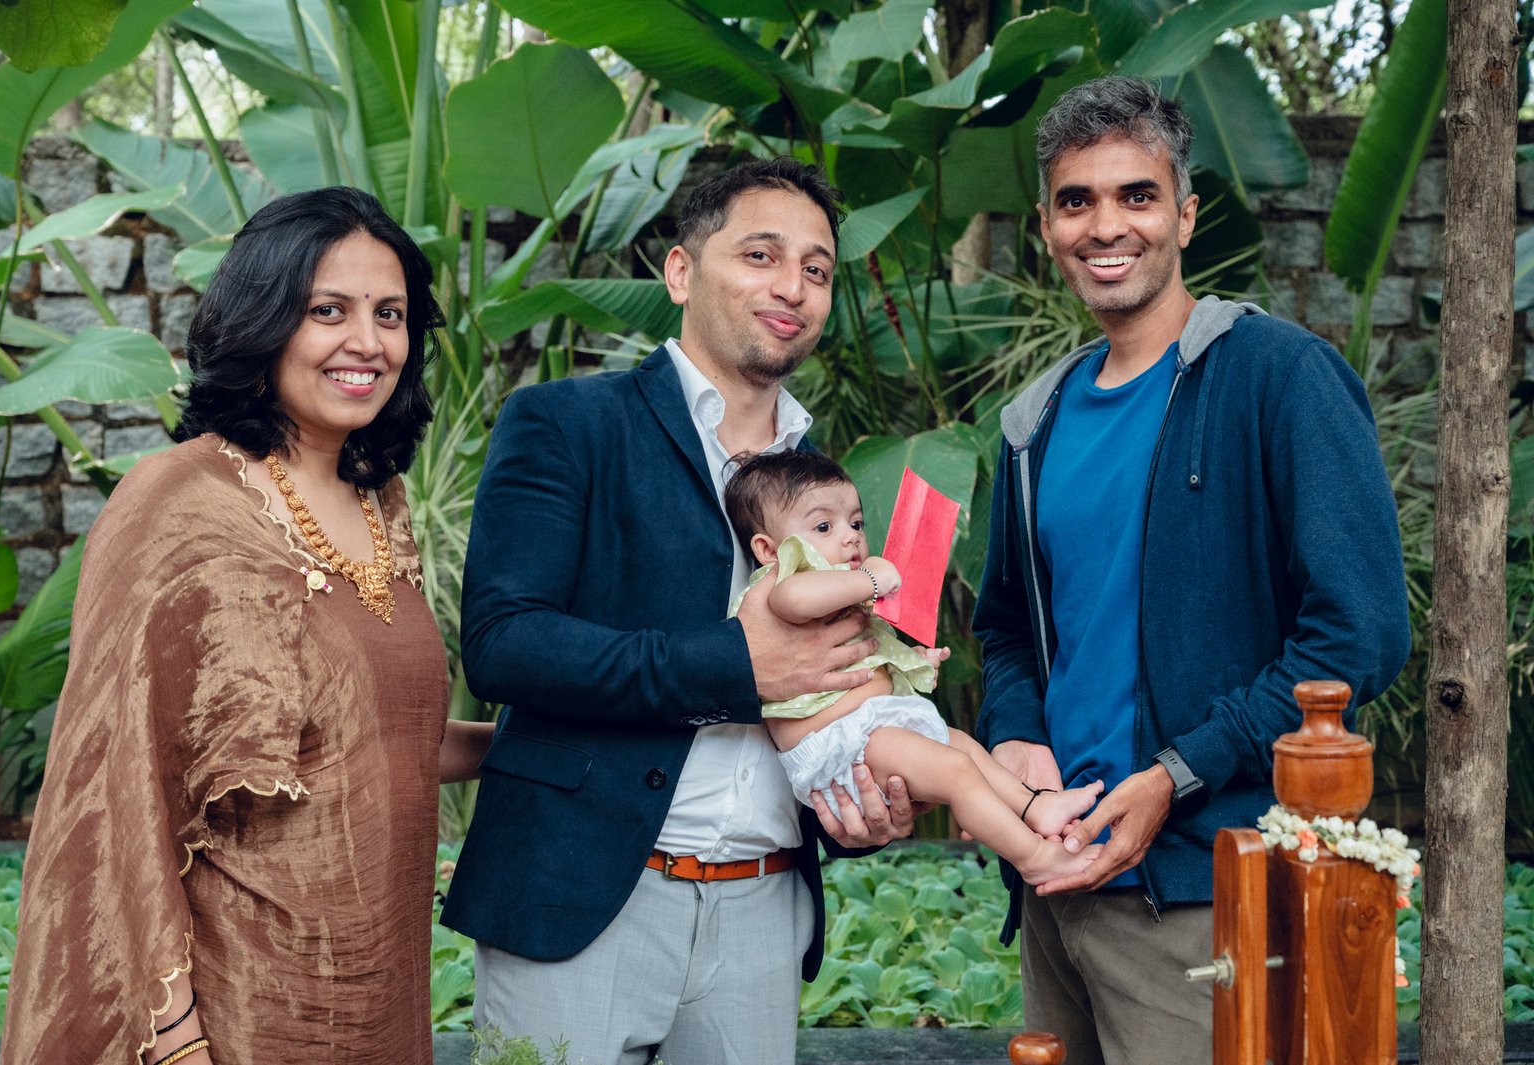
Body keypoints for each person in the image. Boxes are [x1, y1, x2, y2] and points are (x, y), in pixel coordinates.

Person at [970, 77, 1410, 1065]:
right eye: (1076, 200)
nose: (1105, 225)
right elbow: (1006, 629)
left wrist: (1178, 773)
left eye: (1137, 194)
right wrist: (1015, 735)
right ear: (1045, 226)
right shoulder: (1033, 421)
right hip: (1053, 882)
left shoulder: (1278, 377)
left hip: (1206, 888)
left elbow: (1360, 632)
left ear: (1184, 214)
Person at [0, 187, 493, 1065]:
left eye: (389, 314)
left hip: (378, 999)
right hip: (238, 1010)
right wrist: (173, 1031)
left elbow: (370, 738)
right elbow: (117, 788)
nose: (368, 342)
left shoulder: (383, 502)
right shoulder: (177, 502)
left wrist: (564, 742)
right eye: (328, 311)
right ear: (263, 321)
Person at [440, 158, 917, 1065]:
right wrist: (737, 667)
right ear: (681, 272)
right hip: (583, 896)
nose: (793, 286)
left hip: (765, 909)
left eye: (816, 268)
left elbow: (827, 689)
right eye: (761, 255)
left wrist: (857, 806)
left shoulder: (826, 484)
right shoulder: (566, 422)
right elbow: (506, 642)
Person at [722, 449, 1104, 883]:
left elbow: (867, 650)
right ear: (768, 549)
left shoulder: (842, 594)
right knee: (956, 770)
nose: (850, 538)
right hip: (837, 746)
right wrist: (869, 579)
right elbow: (795, 600)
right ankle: (1033, 857)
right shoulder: (784, 584)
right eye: (824, 527)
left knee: (962, 746)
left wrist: (910, 660)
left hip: (873, 727)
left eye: (856, 524)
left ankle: (1036, 805)